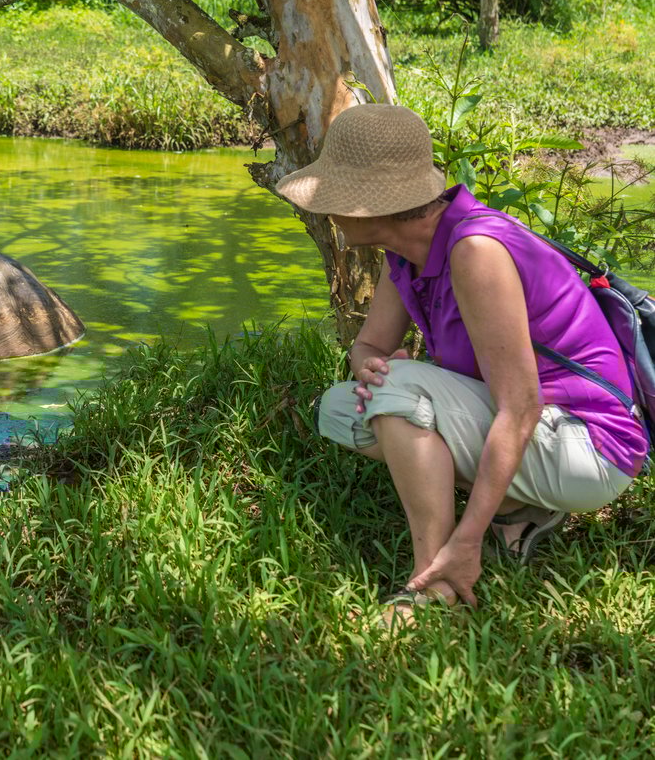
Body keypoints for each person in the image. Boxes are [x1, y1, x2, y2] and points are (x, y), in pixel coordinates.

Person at [275, 104, 649, 623]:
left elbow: (520, 407)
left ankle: (437, 580)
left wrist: (468, 539)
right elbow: (369, 347)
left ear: (369, 205)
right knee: (339, 409)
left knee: (400, 395)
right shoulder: (407, 252)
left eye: (334, 195)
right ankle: (517, 509)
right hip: (539, 431)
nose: (324, 209)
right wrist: (369, 369)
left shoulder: (475, 252)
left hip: (588, 446)